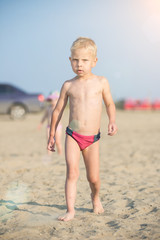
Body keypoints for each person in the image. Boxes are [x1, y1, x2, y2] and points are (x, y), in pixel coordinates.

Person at [47, 37, 118, 221]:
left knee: (93, 178)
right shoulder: (68, 85)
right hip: (73, 134)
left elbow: (110, 104)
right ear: (70, 60)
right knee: (72, 173)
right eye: (75, 60)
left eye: (85, 60)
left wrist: (112, 120)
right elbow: (57, 111)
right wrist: (52, 134)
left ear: (94, 61)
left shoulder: (101, 82)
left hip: (92, 139)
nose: (80, 64)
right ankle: (70, 210)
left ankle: (95, 197)